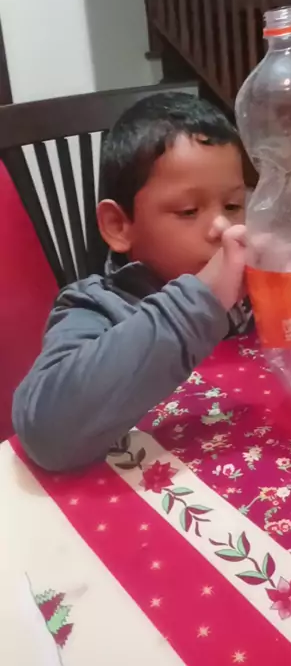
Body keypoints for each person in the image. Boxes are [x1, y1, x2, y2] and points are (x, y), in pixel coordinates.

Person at [12, 92, 250, 472]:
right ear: (119, 226)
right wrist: (202, 300)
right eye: (189, 211)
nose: (223, 227)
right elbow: (46, 433)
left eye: (234, 205)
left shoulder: (250, 289)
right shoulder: (94, 308)